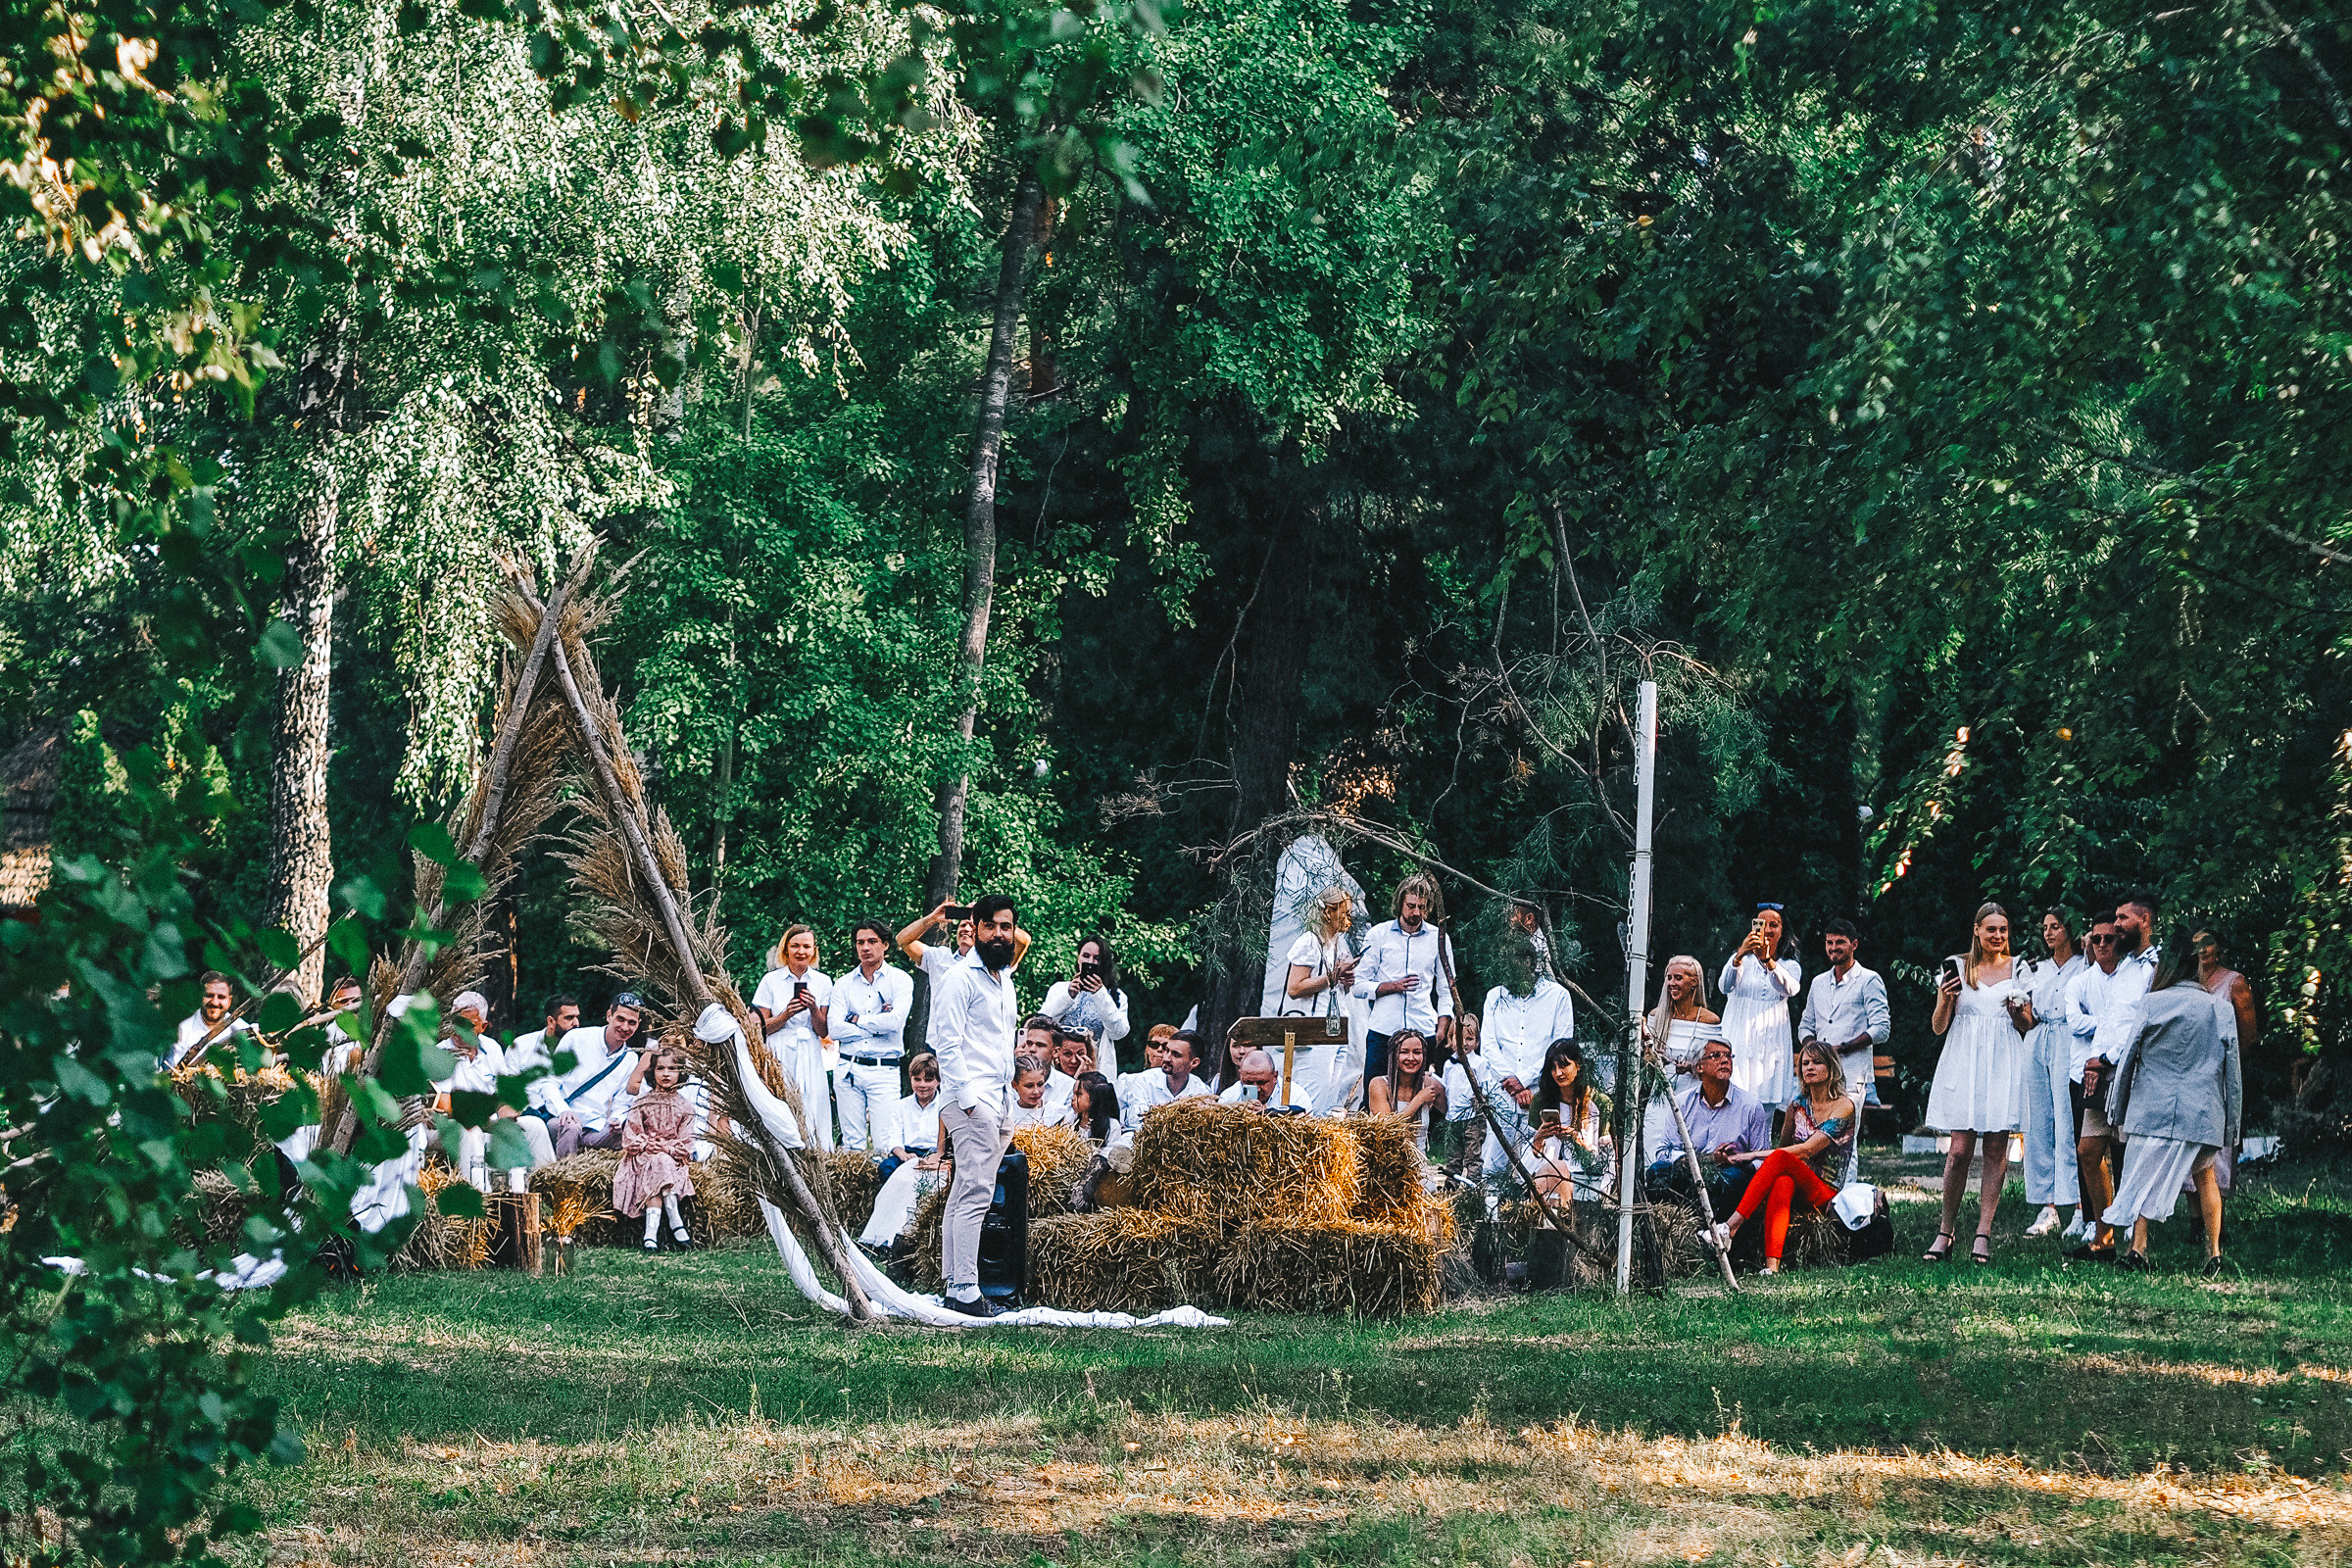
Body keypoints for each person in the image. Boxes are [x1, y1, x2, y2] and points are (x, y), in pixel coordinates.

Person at [2103, 931, 2241, 1274]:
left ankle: (2139, 1249)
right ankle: (2214, 1253)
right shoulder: (2220, 1008)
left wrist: (2116, 1110)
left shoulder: (2152, 1004)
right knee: (2206, 1177)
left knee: (2141, 1175)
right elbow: (2232, 1072)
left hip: (2152, 1108)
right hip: (2203, 1111)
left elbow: (2128, 1059)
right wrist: (2232, 1126)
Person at [931, 893, 1023, 1317]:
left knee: (964, 1192)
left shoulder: (1005, 980)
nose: (1000, 934)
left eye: (1006, 926)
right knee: (976, 1193)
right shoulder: (959, 978)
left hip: (1001, 1099)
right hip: (972, 1100)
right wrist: (970, 1105)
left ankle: (953, 1283)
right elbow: (945, 1045)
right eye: (991, 926)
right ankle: (968, 1289)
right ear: (976, 927)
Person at [1923, 903, 2031, 1264]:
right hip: (1965, 1060)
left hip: (2002, 1061)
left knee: (1997, 1150)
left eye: (2003, 930)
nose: (1997, 936)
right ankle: (1946, 1230)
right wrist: (1945, 998)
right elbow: (1939, 1026)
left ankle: (1982, 1233)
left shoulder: (2019, 969)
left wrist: (2019, 1013)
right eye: (1991, 930)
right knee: (1958, 1152)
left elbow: (2027, 1025)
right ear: (1976, 930)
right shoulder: (1957, 967)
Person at [1720, 1042, 1857, 1275]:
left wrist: (1749, 1155)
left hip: (1825, 1191)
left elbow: (1804, 1151)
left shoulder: (1844, 1106)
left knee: (1784, 1161)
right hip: (1797, 1186)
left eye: (1816, 1062)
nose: (1809, 1068)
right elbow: (1784, 1149)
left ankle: (1730, 1227)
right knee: (1783, 1181)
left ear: (1831, 1068)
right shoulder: (1797, 1105)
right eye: (1804, 1063)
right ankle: (1771, 1266)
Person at [1472, 932, 1574, 1177]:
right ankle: (1491, 1213)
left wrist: (1525, 1080)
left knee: (1539, 1160)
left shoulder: (1558, 996)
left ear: (1528, 962)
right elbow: (1488, 1045)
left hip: (1541, 1089)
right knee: (1494, 1160)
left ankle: (1533, 1210)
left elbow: (1560, 1046)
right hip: (1502, 1090)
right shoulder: (1494, 996)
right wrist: (1512, 1084)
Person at [1645, 1036, 1772, 1216]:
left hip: (1729, 1173)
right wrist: (1705, 1160)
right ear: (1699, 1067)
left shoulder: (1751, 1106)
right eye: (1715, 1055)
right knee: (1657, 1172)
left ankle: (1715, 1234)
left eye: (1728, 1055)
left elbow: (1763, 1160)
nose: (1725, 1060)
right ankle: (1673, 1231)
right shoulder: (1681, 1103)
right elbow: (1664, 1151)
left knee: (1731, 1180)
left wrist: (1739, 1162)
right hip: (1689, 1168)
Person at [2020, 910, 2087, 1238]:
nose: (2048, 933)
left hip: (2068, 1040)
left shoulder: (2083, 964)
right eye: (2044, 927)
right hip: (2038, 1039)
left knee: (2066, 1123)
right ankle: (2048, 1205)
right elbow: (2028, 1017)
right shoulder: (2037, 969)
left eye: (2055, 927)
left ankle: (2076, 1205)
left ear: (2069, 930)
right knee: (2038, 1123)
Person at [1354, 874, 1456, 1087]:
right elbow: (1358, 985)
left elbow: (1447, 988)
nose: (1416, 912)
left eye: (1422, 906)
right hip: (1383, 1032)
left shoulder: (1439, 938)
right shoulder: (1378, 935)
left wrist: (1442, 1027)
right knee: (1374, 1096)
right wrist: (1392, 986)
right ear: (1400, 903)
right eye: (1411, 906)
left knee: (1421, 1097)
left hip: (1423, 1030)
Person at [830, 918, 912, 1154]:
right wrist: (878, 1025)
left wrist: (856, 1020)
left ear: (885, 945)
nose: (865, 947)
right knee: (852, 1144)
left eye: (872, 941)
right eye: (860, 942)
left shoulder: (900, 980)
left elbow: (896, 1022)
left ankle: (884, 1190)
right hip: (848, 1068)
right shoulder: (844, 984)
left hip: (883, 1068)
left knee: (885, 1143)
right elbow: (835, 1029)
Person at [753, 925, 835, 1152]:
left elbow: (823, 1030)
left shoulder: (823, 981)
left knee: (812, 1100)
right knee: (781, 1099)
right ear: (786, 950)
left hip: (809, 1048)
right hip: (779, 1047)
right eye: (795, 945)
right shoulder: (771, 980)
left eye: (806, 946)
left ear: (814, 951)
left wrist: (813, 1008)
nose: (801, 951)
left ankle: (816, 1151)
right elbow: (759, 1027)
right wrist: (786, 1014)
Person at [1281, 883, 1362, 1112]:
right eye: (1344, 913)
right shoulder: (1309, 941)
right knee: (1313, 1094)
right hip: (1315, 1030)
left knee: (1331, 1094)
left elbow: (1331, 986)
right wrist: (1332, 976)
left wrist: (1345, 981)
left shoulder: (1336, 944)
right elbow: (1294, 988)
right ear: (1328, 912)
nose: (1348, 920)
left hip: (1336, 1027)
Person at [1719, 904, 1801, 1116]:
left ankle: (1761, 1147)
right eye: (1762, 924)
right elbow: (1724, 986)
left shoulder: (1789, 965)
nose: (1767, 930)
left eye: (1774, 925)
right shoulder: (1740, 959)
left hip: (1770, 1042)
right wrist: (1739, 955)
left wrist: (1768, 961)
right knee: (1733, 1100)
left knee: (1765, 1105)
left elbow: (1790, 989)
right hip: (1739, 1036)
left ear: (1782, 931)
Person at [612, 1045, 698, 1250]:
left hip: (671, 1158)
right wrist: (650, 1144)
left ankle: (651, 1234)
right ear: (653, 1071)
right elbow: (630, 1138)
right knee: (657, 1161)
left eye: (672, 1069)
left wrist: (667, 1147)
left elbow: (686, 1144)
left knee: (662, 1161)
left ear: (681, 1073)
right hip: (642, 1157)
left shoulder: (686, 1107)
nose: (666, 1074)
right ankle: (675, 1221)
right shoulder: (641, 1102)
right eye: (660, 1068)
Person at [1798, 920, 1889, 1110]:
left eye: (1840, 942)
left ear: (1854, 944)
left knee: (1846, 1136)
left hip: (1853, 1073)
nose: (1834, 948)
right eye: (1829, 943)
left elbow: (1881, 1029)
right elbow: (1805, 1025)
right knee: (1815, 1133)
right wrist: (1813, 1050)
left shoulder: (1869, 980)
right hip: (1819, 1075)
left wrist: (1842, 1048)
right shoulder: (1818, 982)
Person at [2193, 928, 2257, 1194]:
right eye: (2196, 944)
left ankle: (2218, 1222)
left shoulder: (2234, 982)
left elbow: (2249, 1034)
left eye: (2208, 943)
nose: (2203, 949)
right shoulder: (2186, 982)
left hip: (2221, 1075)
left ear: (2219, 947)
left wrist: (2230, 1066)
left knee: (2218, 1147)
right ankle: (2195, 1220)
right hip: (2191, 1073)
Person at [545, 993, 647, 1156]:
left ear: (638, 1025)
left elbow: (623, 1101)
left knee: (631, 1137)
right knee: (571, 1128)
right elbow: (550, 1082)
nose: (625, 1027)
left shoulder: (630, 1058)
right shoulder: (577, 1038)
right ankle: (566, 1177)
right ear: (609, 1016)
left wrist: (617, 1120)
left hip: (596, 1127)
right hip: (563, 1120)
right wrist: (563, 1110)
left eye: (632, 1023)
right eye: (620, 1019)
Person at [1642, 956, 1724, 1155]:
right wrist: (1653, 1058)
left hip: (1694, 1095)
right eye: (1669, 978)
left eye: (1678, 978)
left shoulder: (1709, 1021)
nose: (1672, 983)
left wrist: (1693, 1067)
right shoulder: (1657, 1016)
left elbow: (1717, 1062)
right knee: (1655, 1145)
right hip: (1660, 1094)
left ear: (1694, 981)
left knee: (1689, 1150)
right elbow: (1646, 1058)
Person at [430, 991, 504, 1179]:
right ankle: (479, 1195)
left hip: (490, 1122)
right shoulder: (440, 1053)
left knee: (534, 1126)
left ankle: (537, 1190)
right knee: (471, 1131)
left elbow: (506, 1095)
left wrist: (507, 1111)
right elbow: (443, 1104)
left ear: (483, 1026)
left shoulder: (493, 1049)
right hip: (450, 1127)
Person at [1526, 1039, 1609, 1204]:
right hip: (1545, 1180)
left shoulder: (1599, 1103)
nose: (1558, 1073)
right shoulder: (1541, 1101)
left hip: (1586, 1183)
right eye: (1553, 1067)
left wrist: (1577, 1140)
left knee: (1559, 1169)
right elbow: (1526, 1165)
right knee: (1554, 1169)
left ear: (1578, 1065)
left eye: (1564, 1065)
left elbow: (1607, 1161)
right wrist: (1538, 1139)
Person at [1042, 935, 1132, 1079]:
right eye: (1086, 956)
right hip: (1057, 1071)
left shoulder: (1116, 996)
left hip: (1095, 1072)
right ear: (1078, 958)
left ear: (1104, 963)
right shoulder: (1059, 989)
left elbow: (1119, 1032)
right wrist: (1068, 996)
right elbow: (1041, 1024)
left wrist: (1100, 994)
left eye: (1097, 958)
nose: (1090, 962)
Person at [898, 901, 1033, 992]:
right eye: (963, 925)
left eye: (972, 926)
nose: (966, 929)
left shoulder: (997, 962)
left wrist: (992, 917)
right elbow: (903, 940)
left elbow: (1023, 941)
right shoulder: (940, 959)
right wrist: (932, 918)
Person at [1367, 1030, 1446, 1151]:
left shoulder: (1430, 1085)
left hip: (1419, 1165)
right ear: (1393, 1055)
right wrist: (1419, 1099)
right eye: (1404, 1052)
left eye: (1417, 1052)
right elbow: (1388, 1130)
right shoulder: (1379, 1085)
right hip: (1387, 1163)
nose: (1411, 1058)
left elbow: (1456, 1114)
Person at [876, 1052, 945, 1187]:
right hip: (908, 1152)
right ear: (911, 1078)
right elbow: (893, 1136)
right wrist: (902, 1154)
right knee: (886, 1168)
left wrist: (937, 1156)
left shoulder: (944, 1106)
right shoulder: (901, 1105)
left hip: (934, 1152)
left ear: (938, 1080)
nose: (922, 1085)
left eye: (928, 1080)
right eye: (917, 1079)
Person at [1122, 1030, 1213, 1130]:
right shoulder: (1145, 1080)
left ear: (1194, 1062)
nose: (1166, 1058)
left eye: (1176, 1054)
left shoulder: (1202, 1092)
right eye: (1167, 1050)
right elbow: (1137, 1121)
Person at [170, 971, 251, 1071]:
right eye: (209, 995)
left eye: (221, 997)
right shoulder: (181, 1028)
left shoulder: (241, 1029)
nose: (215, 1002)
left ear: (230, 1000)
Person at [1219, 1047, 1314, 1110]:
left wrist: (1267, 1114)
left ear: (1275, 1076)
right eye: (1249, 1082)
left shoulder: (1296, 1097)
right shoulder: (1229, 1097)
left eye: (1261, 1082)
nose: (1257, 1089)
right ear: (1241, 1076)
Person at [1005, 1054, 1075, 1132]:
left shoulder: (1056, 1113)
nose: (1036, 1091)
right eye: (1029, 1086)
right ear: (1014, 1084)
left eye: (1040, 1084)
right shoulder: (1008, 1113)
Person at [1070, 1071, 1125, 1149]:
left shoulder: (1112, 1126)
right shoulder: (1070, 1121)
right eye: (1074, 1093)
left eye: (1079, 1094)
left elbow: (1110, 1153)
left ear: (1094, 1098)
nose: (1073, 1098)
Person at [1044, 1028, 1093, 1114]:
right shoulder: (1046, 1079)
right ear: (1057, 1053)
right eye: (1067, 1054)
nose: (1074, 1061)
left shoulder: (1097, 1083)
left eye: (1080, 1054)